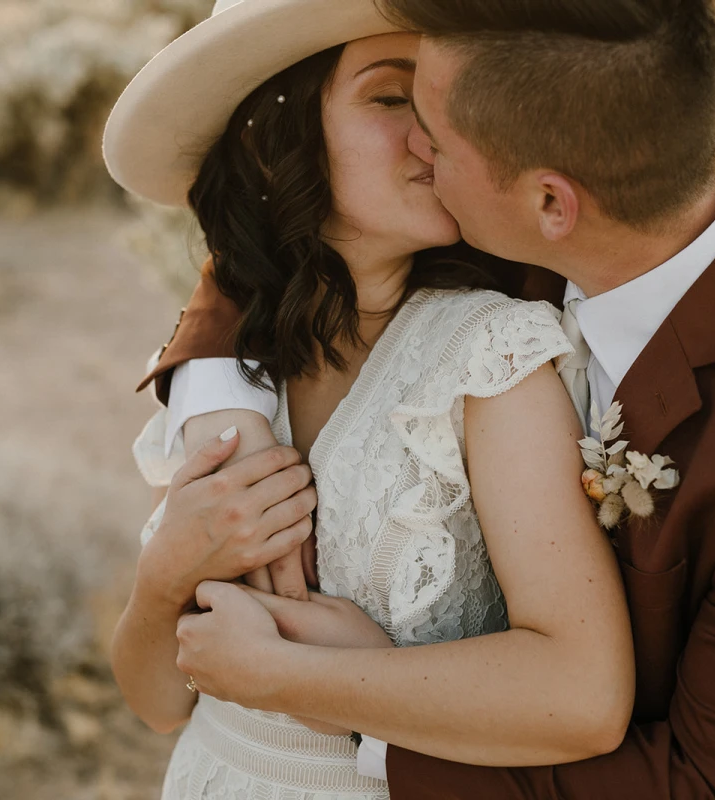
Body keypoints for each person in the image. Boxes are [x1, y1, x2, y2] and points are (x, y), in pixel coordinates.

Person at [145, 0, 715, 797]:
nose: (421, 147)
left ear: (551, 204)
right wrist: (223, 407)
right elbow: (281, 244)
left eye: (437, 128)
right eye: (401, 101)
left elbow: (708, 789)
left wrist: (343, 694)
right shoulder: (526, 206)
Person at [104, 1, 635, 797]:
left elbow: (583, 696)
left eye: (450, 100)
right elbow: (159, 704)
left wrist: (300, 675)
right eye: (393, 98)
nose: (438, 133)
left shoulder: (491, 358)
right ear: (272, 136)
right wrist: (164, 575)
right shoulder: (229, 369)